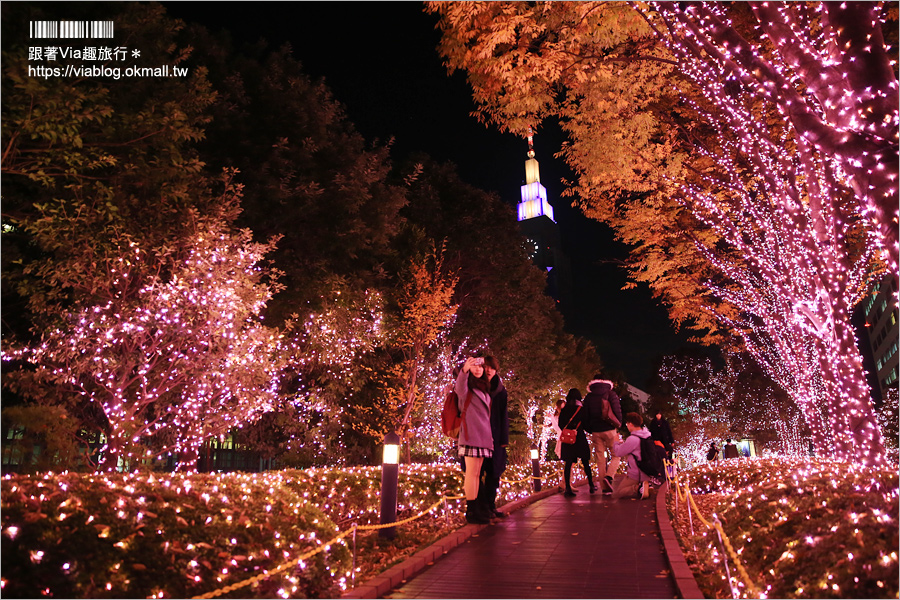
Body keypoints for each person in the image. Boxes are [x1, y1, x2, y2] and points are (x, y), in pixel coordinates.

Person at [455, 356, 494, 524]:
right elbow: (459, 388)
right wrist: (463, 370)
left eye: (480, 366)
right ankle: (471, 511)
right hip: (470, 435)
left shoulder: (484, 388)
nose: (478, 369)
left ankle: (477, 506)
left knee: (477, 474)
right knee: (471, 473)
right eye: (474, 366)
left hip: (483, 436)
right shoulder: (466, 389)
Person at [478, 356, 510, 519]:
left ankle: (491, 505)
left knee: (494, 473)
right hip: (478, 436)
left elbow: (504, 415)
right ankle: (482, 507)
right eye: (486, 367)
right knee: (478, 472)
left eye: (492, 367)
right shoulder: (476, 386)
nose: (489, 370)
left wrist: (504, 440)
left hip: (496, 438)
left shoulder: (501, 390)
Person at [582, 376, 623, 496]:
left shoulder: (589, 397)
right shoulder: (611, 394)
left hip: (596, 431)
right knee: (616, 455)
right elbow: (617, 410)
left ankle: (604, 488)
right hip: (610, 429)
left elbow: (585, 416)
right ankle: (609, 477)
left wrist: (590, 429)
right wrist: (618, 423)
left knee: (600, 458)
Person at [559, 388, 596, 496]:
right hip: (579, 437)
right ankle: (591, 485)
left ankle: (567, 488)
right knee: (585, 462)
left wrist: (568, 431)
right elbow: (587, 425)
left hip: (567, 439)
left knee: (568, 463)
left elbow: (561, 424)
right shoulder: (581, 409)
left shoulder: (564, 409)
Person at [611, 412, 654, 500]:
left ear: (630, 424)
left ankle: (639, 488)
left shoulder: (633, 439)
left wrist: (615, 442)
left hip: (636, 474)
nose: (626, 426)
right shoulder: (646, 435)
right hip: (646, 471)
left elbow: (618, 452)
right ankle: (647, 486)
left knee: (618, 493)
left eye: (627, 424)